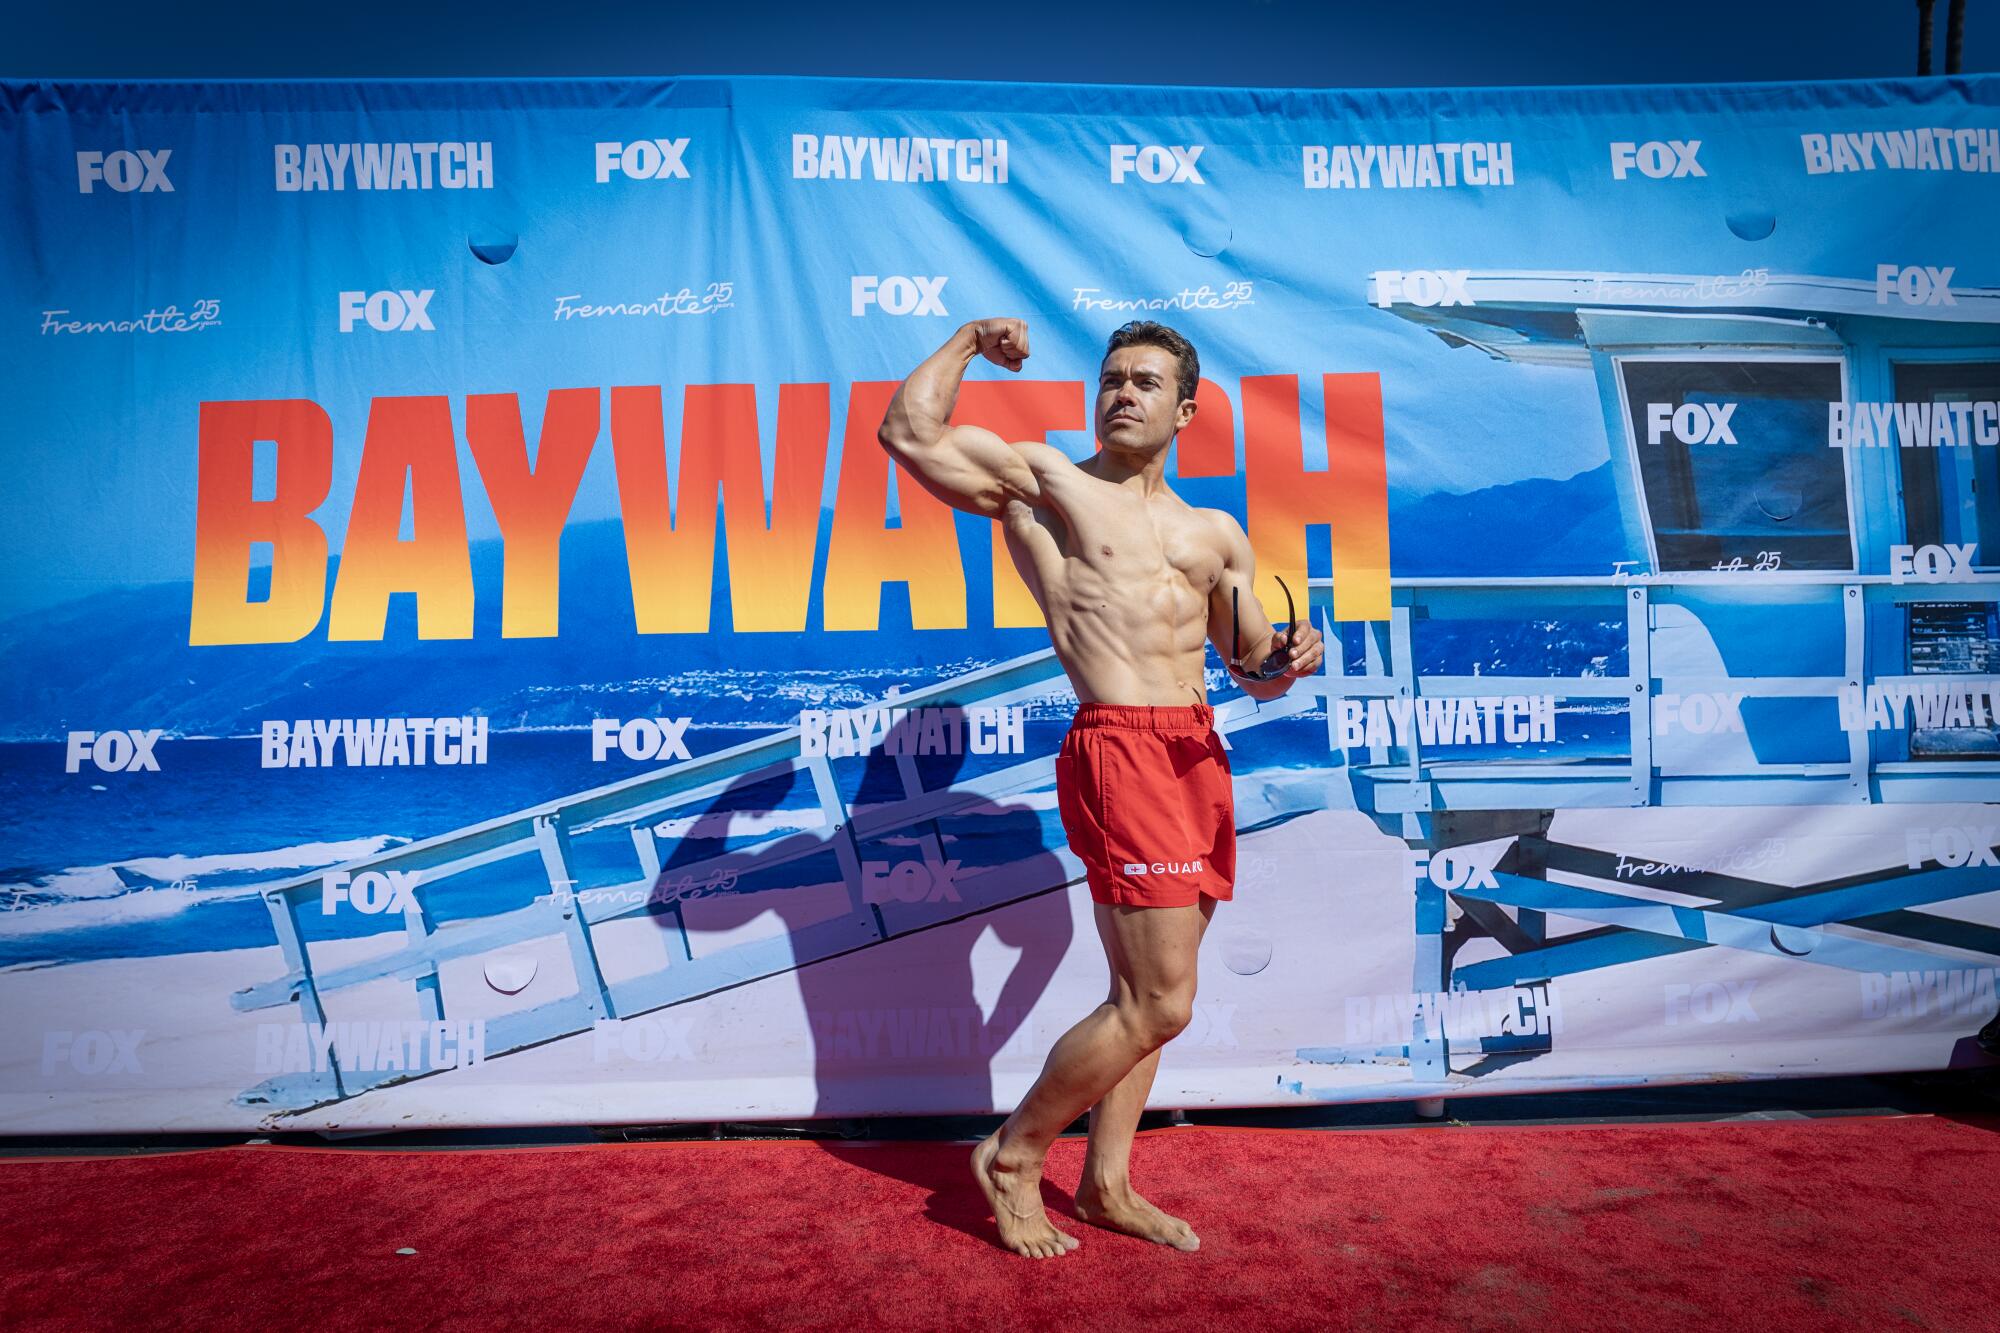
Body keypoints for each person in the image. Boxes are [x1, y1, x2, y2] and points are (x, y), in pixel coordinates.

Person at [877, 318, 1323, 1258]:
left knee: (1145, 995)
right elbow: (908, 434)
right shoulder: (1048, 485)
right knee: (1160, 1002)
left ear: (1186, 410)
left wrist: (1290, 655)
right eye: (1112, 378)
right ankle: (1013, 1154)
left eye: (1145, 381)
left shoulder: (1215, 532)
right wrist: (967, 342)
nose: (1122, 392)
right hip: (1122, 747)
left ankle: (1107, 1183)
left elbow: (1252, 667)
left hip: (1198, 751)